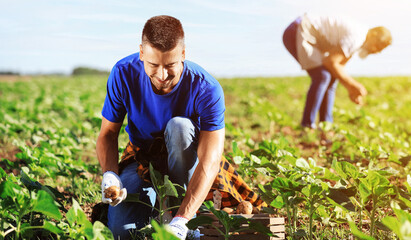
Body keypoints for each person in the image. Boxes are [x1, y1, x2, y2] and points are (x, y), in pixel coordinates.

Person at [97, 15, 265, 239]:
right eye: (153, 65)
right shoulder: (123, 73)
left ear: (183, 55)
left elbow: (210, 160)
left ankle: (181, 210)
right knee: (122, 232)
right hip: (142, 159)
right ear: (141, 53)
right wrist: (110, 174)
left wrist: (183, 218)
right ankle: (159, 209)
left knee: (179, 127)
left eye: (170, 65)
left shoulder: (206, 88)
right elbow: (108, 133)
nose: (162, 75)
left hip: (189, 162)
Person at [282, 13, 392, 129]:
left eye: (380, 50)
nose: (376, 51)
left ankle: (326, 126)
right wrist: (352, 85)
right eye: (378, 46)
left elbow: (337, 68)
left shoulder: (358, 39)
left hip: (306, 32)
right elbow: (331, 62)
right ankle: (307, 125)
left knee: (330, 78)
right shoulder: (357, 37)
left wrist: (350, 89)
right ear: (373, 34)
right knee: (322, 76)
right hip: (298, 30)